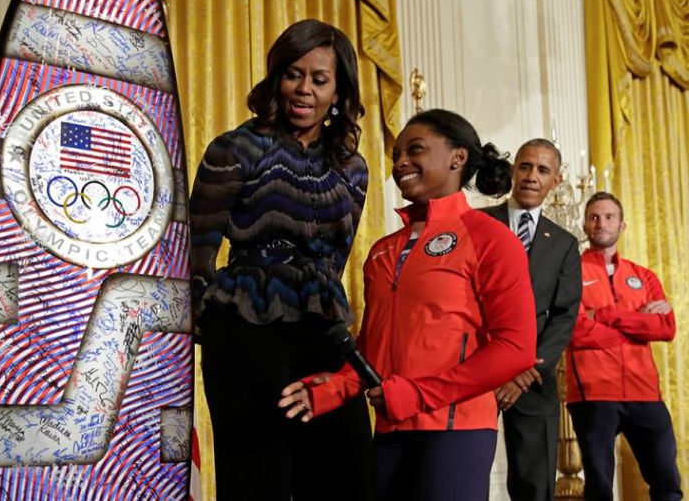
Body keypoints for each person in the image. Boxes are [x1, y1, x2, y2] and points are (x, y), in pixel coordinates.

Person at [279, 108, 538, 501]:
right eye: (396, 153)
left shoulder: (491, 238)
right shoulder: (383, 251)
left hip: (457, 432)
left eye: (414, 150)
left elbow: (516, 349)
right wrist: (332, 388)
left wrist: (419, 395)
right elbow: (374, 350)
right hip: (390, 430)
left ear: (458, 157)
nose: (400, 162)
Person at [188, 19, 373, 501]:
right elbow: (197, 252)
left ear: (339, 90)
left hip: (323, 331)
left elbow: (335, 258)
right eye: (293, 74)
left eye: (319, 78)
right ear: (276, 77)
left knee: (345, 475)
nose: (304, 89)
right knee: (257, 479)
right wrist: (209, 327)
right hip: (245, 327)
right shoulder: (235, 148)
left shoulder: (353, 169)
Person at [481, 139, 582, 501]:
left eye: (542, 170)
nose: (531, 176)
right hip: (474, 375)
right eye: (524, 166)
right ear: (513, 171)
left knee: (534, 486)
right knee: (463, 476)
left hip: (534, 382)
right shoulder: (478, 223)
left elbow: (564, 315)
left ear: (555, 181)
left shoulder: (566, 244)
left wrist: (524, 372)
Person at [564, 192, 682, 500]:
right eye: (594, 217)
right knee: (600, 489)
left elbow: (666, 328)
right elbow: (574, 332)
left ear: (622, 225)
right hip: (593, 394)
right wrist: (636, 323)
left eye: (609, 216)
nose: (601, 223)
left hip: (645, 392)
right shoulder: (570, 273)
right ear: (585, 225)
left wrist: (604, 316)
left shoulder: (644, 276)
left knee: (668, 486)